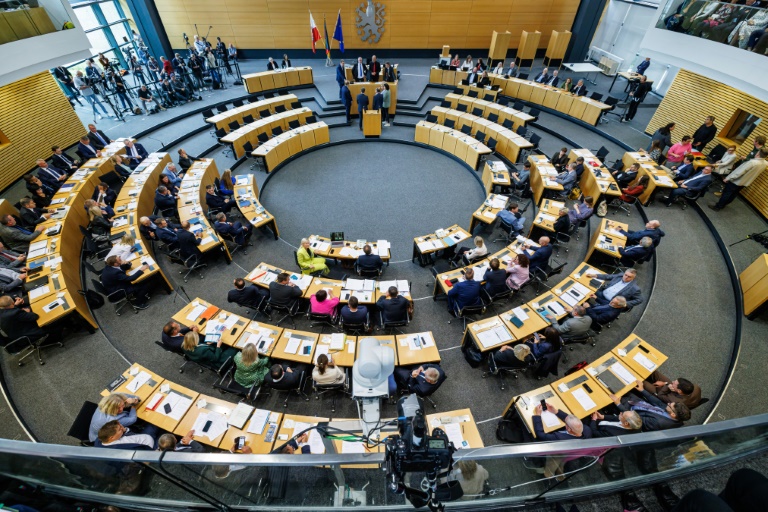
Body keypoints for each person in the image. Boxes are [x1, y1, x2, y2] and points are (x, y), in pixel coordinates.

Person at [614, 380, 691, 431]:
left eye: (670, 405)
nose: (668, 403)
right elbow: (657, 402)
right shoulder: (671, 412)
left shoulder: (657, 423)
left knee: (612, 393)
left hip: (629, 409)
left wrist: (618, 404)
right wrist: (642, 390)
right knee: (622, 386)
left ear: (673, 414)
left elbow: (633, 418)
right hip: (639, 402)